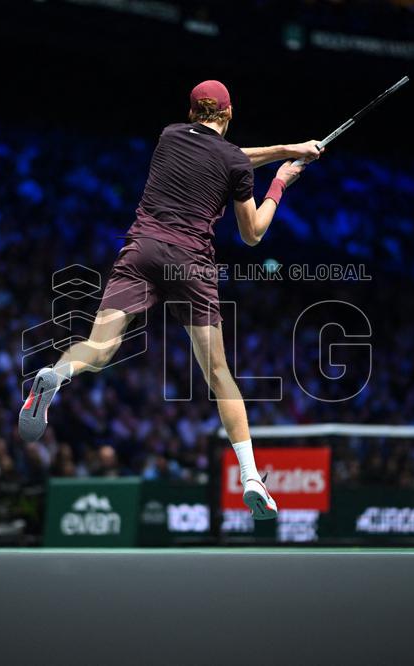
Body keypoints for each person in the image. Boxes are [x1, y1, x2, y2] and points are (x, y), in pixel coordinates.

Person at [20, 80, 321, 520]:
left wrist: (289, 147)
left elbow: (233, 156)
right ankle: (252, 476)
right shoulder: (235, 163)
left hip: (141, 250)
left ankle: (57, 372)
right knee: (218, 373)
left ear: (191, 111)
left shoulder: (169, 135)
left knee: (100, 346)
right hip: (190, 263)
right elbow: (252, 233)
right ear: (230, 113)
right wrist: (279, 182)